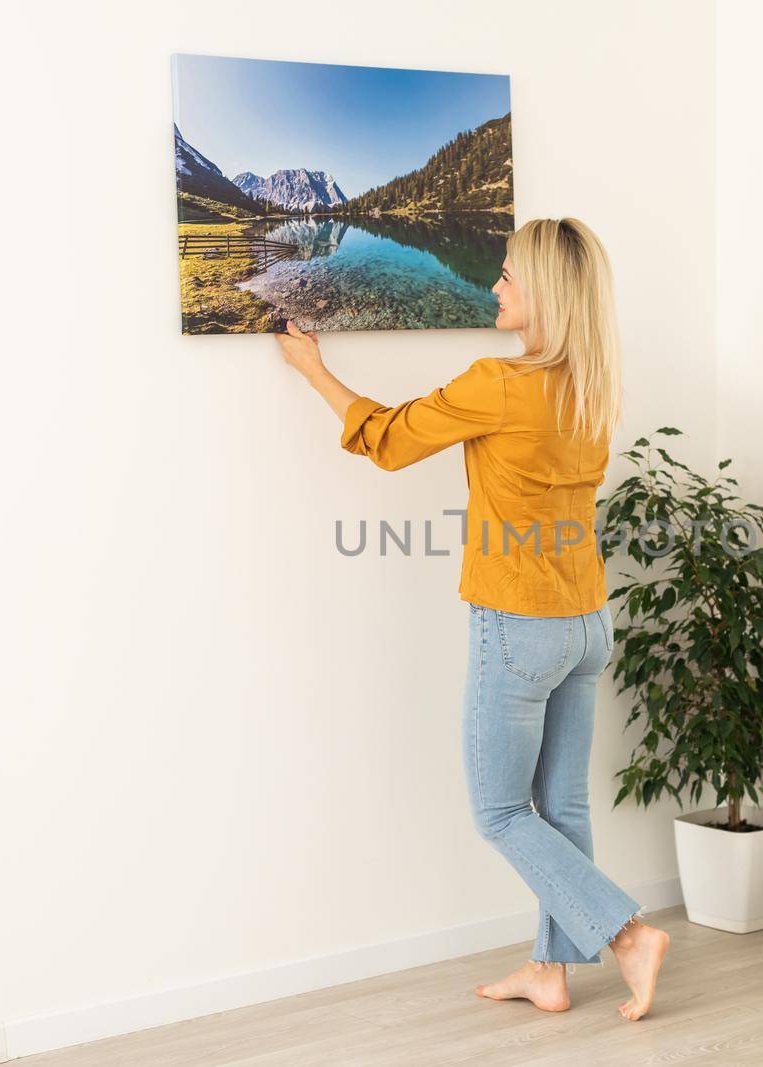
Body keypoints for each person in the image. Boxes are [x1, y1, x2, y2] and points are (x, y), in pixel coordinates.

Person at [275, 218, 670, 1021]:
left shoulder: (499, 381)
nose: (495, 287)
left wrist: (314, 369)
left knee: (498, 810)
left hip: (520, 625)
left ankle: (626, 932)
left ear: (545, 295)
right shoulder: (593, 386)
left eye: (507, 277)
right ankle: (550, 971)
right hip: (587, 622)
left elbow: (387, 440)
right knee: (561, 809)